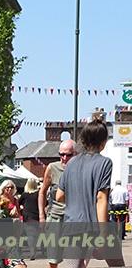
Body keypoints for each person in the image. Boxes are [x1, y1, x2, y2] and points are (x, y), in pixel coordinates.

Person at [56, 115, 124, 268]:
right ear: (103, 142)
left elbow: (59, 196)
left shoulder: (71, 163)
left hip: (72, 225)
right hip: (94, 225)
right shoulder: (104, 162)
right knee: (117, 265)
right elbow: (101, 198)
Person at [40, 139, 74, 268]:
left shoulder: (80, 168)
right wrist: (42, 216)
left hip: (74, 217)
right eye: (61, 154)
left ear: (75, 154)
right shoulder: (52, 167)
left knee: (75, 256)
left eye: (68, 155)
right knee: (53, 256)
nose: (64, 158)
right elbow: (42, 192)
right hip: (55, 216)